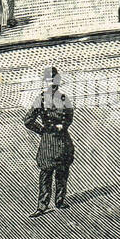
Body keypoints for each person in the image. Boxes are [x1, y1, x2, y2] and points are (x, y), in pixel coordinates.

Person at [24, 67, 75, 216]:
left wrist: (50, 129)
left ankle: (56, 202)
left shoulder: (64, 98)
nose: (53, 83)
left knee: (61, 171)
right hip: (52, 141)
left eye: (54, 79)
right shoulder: (43, 99)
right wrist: (43, 131)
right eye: (50, 80)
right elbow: (28, 120)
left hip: (59, 141)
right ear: (46, 82)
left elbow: (69, 118)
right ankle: (46, 204)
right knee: (47, 173)